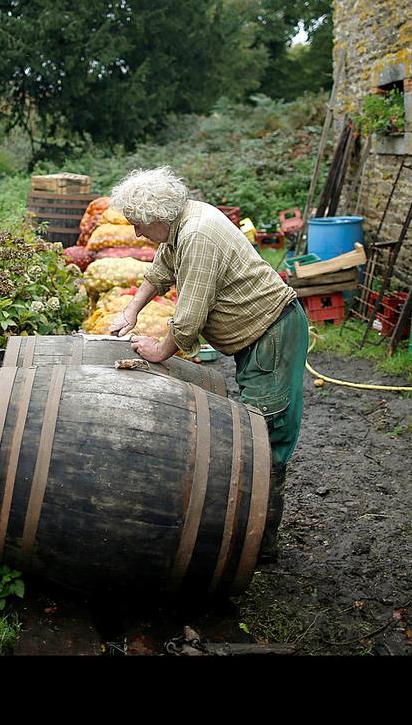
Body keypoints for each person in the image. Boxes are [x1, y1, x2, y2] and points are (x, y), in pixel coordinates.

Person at [107, 166, 309, 562]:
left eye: (138, 226)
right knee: (255, 430)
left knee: (266, 436)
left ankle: (259, 545)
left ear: (157, 217)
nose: (137, 235)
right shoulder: (184, 219)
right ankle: (250, 530)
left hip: (273, 333)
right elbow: (160, 270)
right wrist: (130, 310)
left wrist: (159, 351)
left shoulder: (198, 235)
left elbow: (189, 317)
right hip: (257, 336)